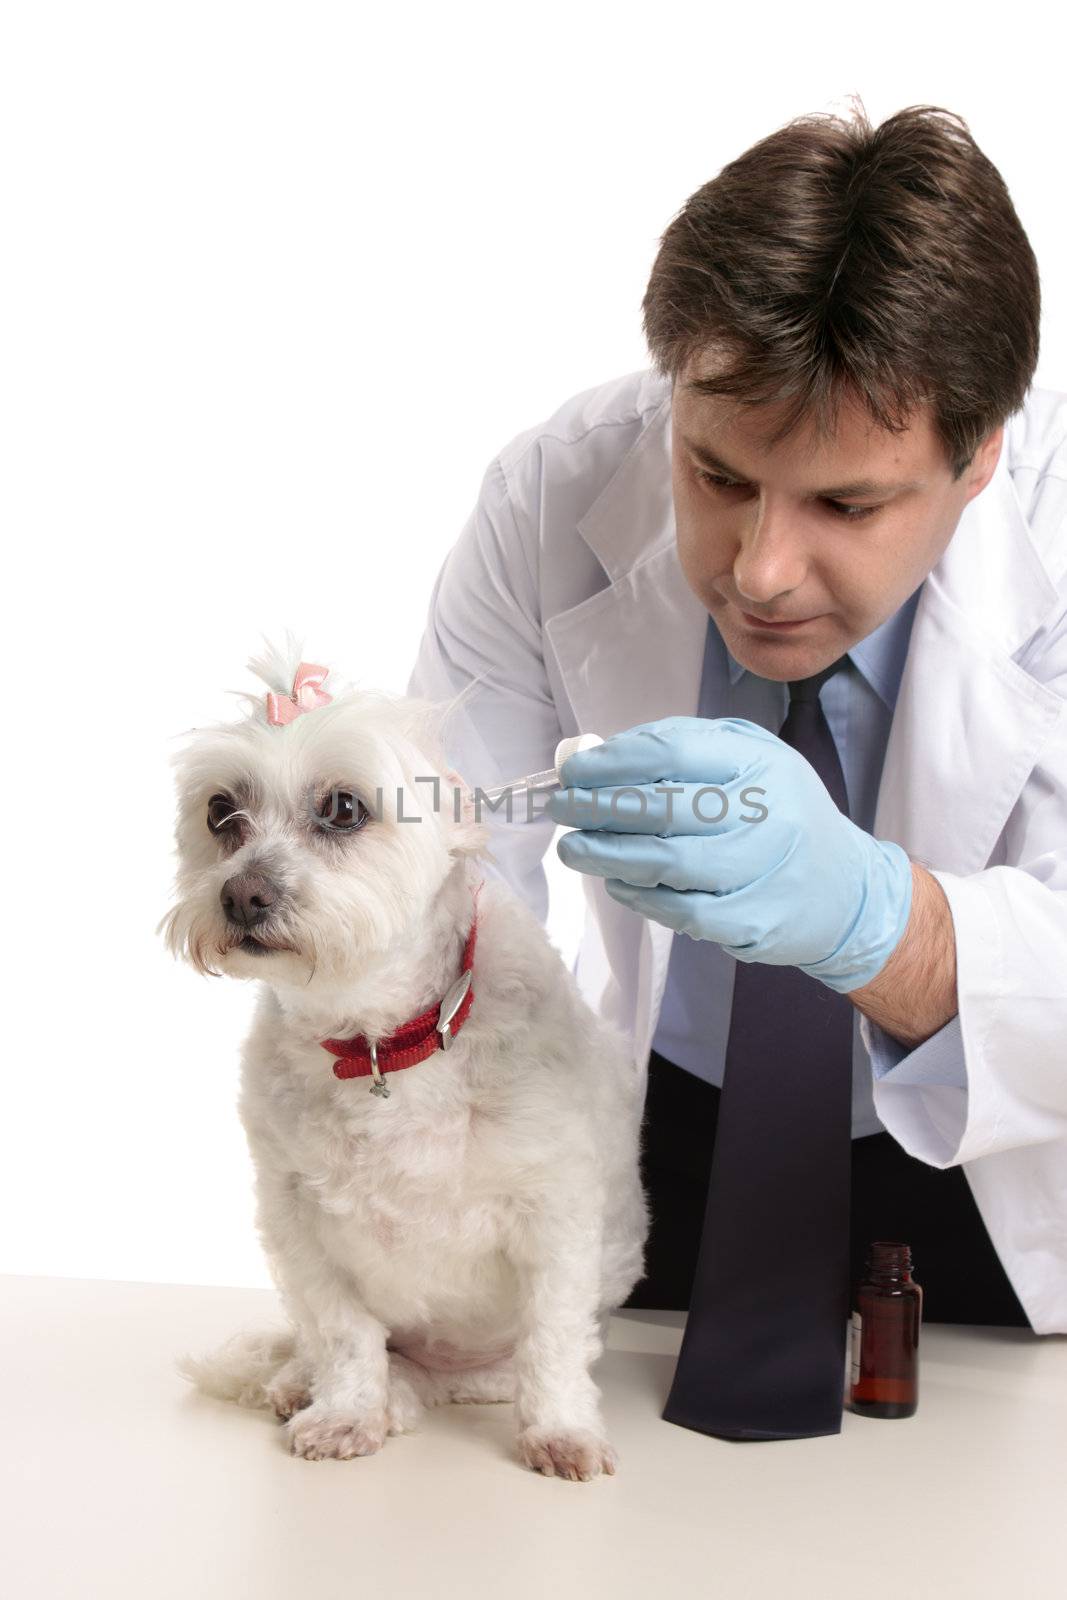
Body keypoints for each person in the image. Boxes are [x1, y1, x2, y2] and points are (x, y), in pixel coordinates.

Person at [405, 103, 1067, 1347]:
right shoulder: (551, 490)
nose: (760, 568)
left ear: (975, 459)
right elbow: (455, 879)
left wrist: (878, 921)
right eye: (717, 476)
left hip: (997, 1153)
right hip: (660, 1127)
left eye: (844, 502)